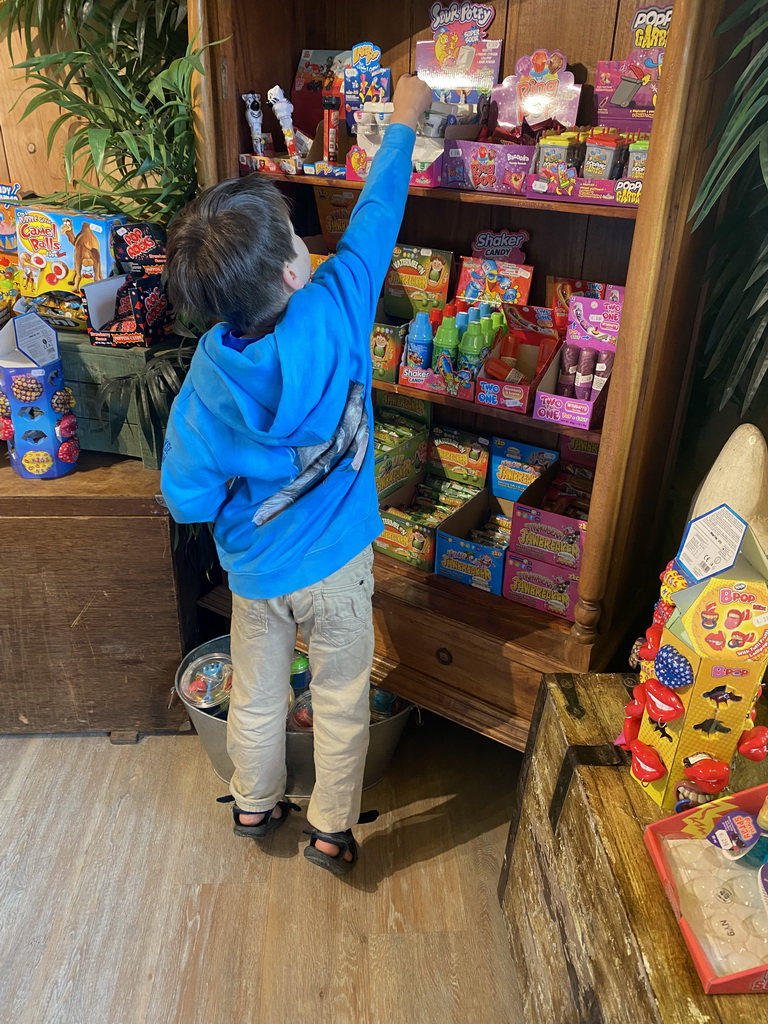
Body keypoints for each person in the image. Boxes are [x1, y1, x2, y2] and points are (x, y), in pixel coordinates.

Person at [161, 74, 433, 876]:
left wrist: (241, 496)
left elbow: (187, 494)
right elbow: (379, 213)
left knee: (257, 692)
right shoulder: (342, 299)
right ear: (292, 272)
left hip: (255, 570)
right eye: (293, 236)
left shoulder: (208, 377)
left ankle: (252, 801)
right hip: (341, 567)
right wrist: (405, 121)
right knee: (342, 700)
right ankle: (330, 831)